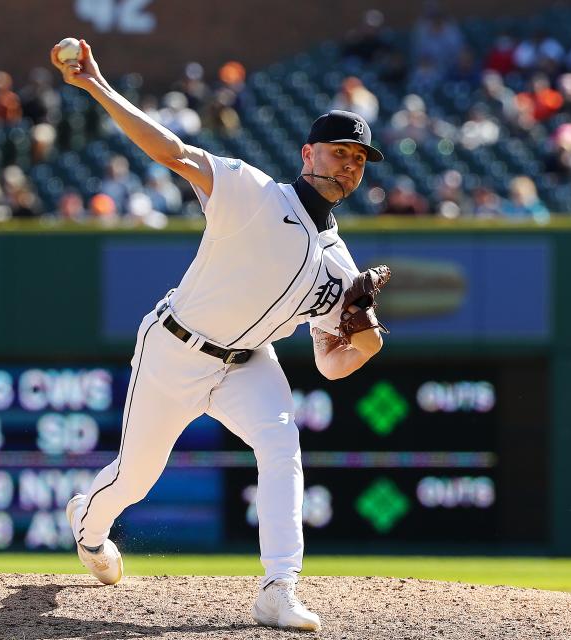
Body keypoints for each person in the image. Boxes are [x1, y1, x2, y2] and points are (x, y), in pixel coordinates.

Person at [51, 38, 388, 632]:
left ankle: (279, 588)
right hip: (175, 347)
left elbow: (332, 365)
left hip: (248, 364)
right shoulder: (253, 193)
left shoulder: (341, 265)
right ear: (308, 153)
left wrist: (366, 340)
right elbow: (174, 153)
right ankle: (88, 526)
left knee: (283, 446)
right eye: (340, 153)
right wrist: (96, 87)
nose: (350, 165)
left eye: (359, 159)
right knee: (137, 477)